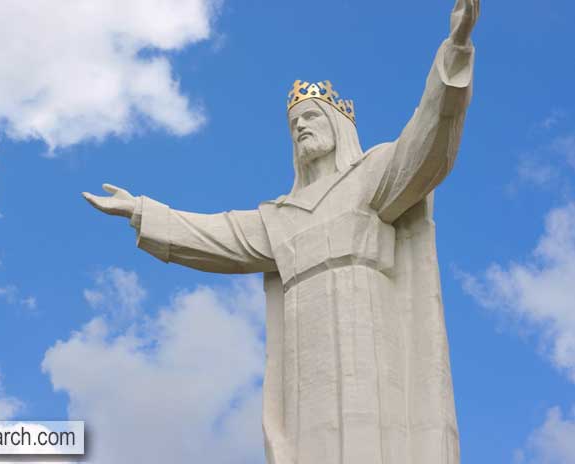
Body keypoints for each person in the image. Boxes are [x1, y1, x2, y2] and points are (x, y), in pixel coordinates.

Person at [83, 1, 479, 462]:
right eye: (294, 124)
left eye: (311, 117)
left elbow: (427, 140)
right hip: (305, 353)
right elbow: (217, 236)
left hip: (368, 338)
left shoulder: (372, 176)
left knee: (373, 435)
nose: (301, 127)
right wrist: (142, 211)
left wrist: (455, 49)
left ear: (337, 123)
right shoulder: (281, 216)